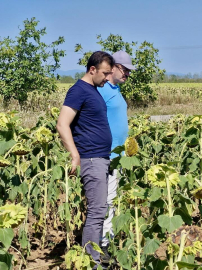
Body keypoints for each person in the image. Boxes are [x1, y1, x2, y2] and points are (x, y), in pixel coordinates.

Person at [56, 51, 114, 266]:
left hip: (100, 157)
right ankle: (91, 262)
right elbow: (62, 124)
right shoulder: (78, 91)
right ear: (92, 70)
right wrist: (75, 155)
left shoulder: (92, 90)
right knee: (97, 211)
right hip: (91, 158)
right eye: (105, 73)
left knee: (100, 210)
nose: (107, 78)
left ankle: (93, 258)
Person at [97, 51, 135, 263]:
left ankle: (106, 241)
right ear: (114, 67)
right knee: (106, 202)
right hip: (106, 155)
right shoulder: (102, 90)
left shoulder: (115, 89)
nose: (128, 74)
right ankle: (103, 246)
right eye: (126, 69)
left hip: (117, 155)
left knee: (110, 200)